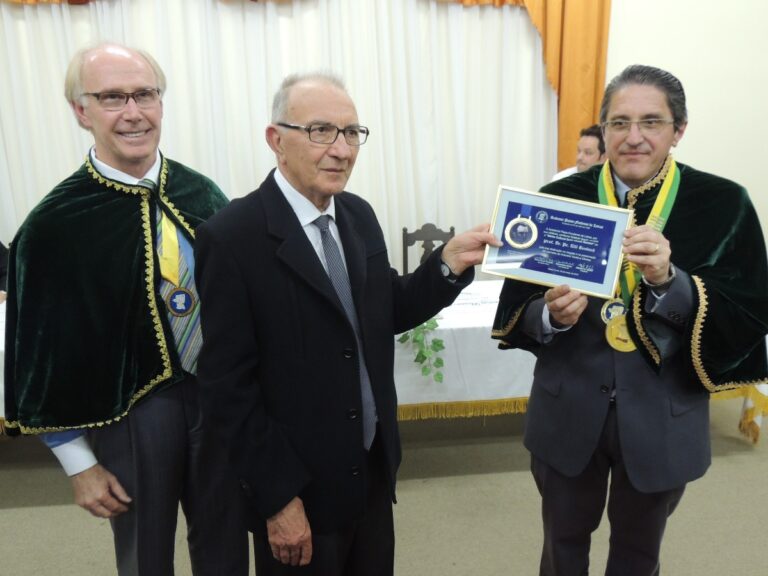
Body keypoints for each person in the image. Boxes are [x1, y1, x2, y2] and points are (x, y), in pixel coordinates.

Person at [194, 72, 500, 576]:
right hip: (299, 487)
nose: (341, 150)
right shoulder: (232, 237)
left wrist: (447, 264)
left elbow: (385, 310)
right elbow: (227, 387)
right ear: (276, 139)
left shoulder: (357, 215)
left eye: (352, 132)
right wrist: (278, 498)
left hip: (370, 471)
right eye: (321, 131)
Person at [492, 64, 768, 576]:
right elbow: (515, 306)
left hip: (663, 414)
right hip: (567, 407)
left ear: (678, 130)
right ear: (604, 129)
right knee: (560, 548)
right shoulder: (556, 200)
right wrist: (549, 316)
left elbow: (748, 312)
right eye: (619, 123)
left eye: (651, 122)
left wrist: (671, 281)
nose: (633, 137)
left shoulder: (723, 204)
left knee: (639, 557)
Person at [2, 43, 248, 576]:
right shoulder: (52, 226)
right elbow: (36, 357)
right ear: (81, 111)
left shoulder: (202, 194)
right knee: (145, 559)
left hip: (218, 401)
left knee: (228, 549)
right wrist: (78, 464)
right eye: (113, 97)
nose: (133, 112)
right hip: (130, 416)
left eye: (145, 95)